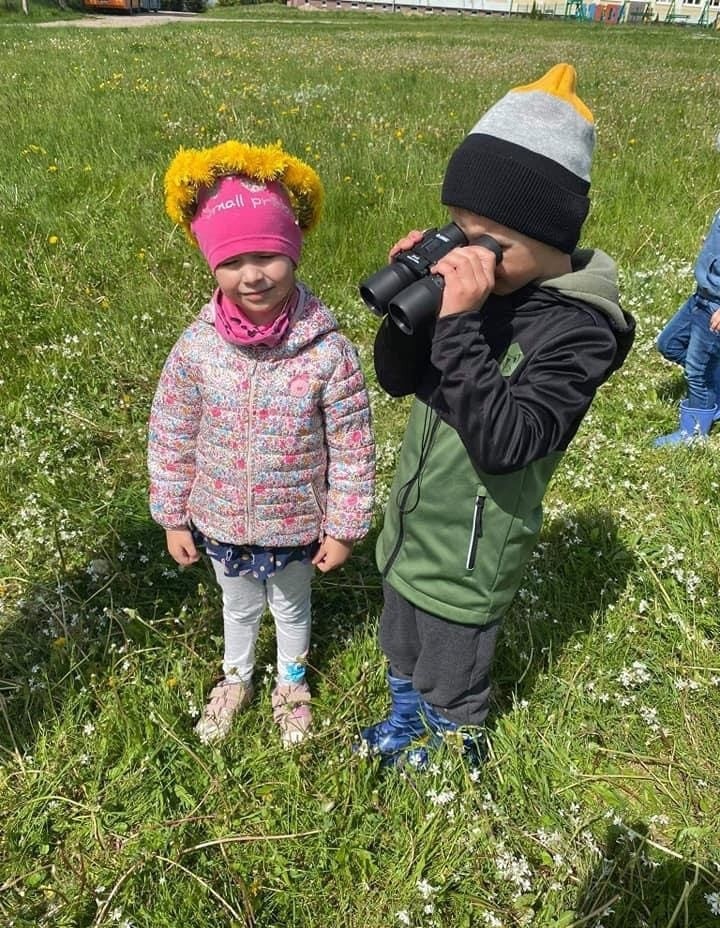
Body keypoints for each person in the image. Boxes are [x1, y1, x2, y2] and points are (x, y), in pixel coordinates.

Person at [358, 63, 635, 769]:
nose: (467, 253)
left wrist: (456, 325)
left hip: (474, 549)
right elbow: (396, 380)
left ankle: (452, 744)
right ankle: (404, 714)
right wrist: (413, 314)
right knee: (403, 637)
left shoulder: (580, 330)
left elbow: (509, 442)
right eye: (457, 229)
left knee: (451, 661)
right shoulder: (480, 294)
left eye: (492, 243)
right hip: (416, 521)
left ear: (552, 237)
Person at [149, 141, 375, 746]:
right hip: (220, 520)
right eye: (232, 261)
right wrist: (173, 516)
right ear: (211, 267)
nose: (252, 274)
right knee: (239, 607)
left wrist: (344, 526)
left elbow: (353, 445)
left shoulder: (327, 350)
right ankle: (236, 678)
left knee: (292, 608)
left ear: (294, 251)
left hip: (297, 523)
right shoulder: (196, 348)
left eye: (269, 255)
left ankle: (292, 683)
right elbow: (172, 433)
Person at [653, 206, 720, 446]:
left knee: (697, 371)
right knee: (669, 344)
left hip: (716, 306)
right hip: (701, 296)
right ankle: (713, 392)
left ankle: (693, 433)